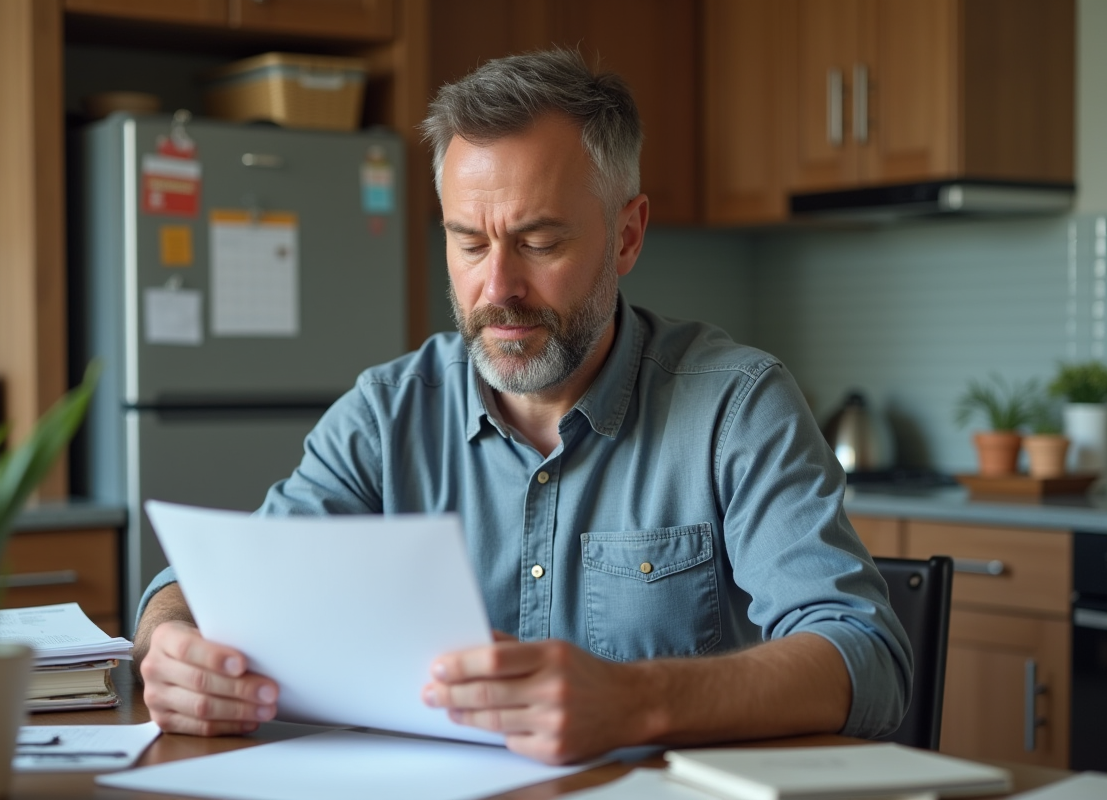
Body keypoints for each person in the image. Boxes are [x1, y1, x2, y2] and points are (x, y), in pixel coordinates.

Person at [132, 48, 911, 765]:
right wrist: (169, 640)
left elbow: (866, 658)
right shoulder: (388, 414)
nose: (496, 289)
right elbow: (213, 586)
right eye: (469, 243)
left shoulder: (735, 407)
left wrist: (640, 700)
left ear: (627, 236)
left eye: (538, 242)